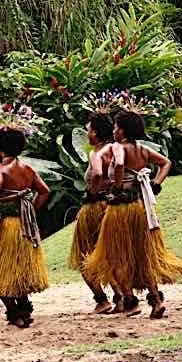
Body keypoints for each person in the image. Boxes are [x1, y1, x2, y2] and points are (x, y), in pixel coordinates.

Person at [84, 110, 182, 319]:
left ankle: (131, 301)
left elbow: (116, 164)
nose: (113, 131)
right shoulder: (142, 149)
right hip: (139, 207)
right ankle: (156, 299)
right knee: (142, 255)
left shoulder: (118, 147)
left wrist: (114, 187)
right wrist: (156, 184)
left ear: (122, 131)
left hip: (119, 210)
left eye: (116, 127)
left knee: (116, 256)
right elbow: (166, 163)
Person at [0, 128, 50, 328]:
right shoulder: (27, 168)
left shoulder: (0, 168)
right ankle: (25, 308)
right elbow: (44, 191)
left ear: (0, 148)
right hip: (24, 225)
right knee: (20, 268)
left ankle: (14, 312)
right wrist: (30, 210)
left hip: (5, 226)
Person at [69, 112, 122, 314]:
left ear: (96, 133)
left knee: (84, 255)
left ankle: (101, 299)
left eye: (89, 130)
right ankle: (122, 296)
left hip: (94, 206)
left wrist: (91, 193)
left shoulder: (96, 153)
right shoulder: (116, 149)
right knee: (109, 253)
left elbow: (98, 174)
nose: (87, 133)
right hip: (112, 205)